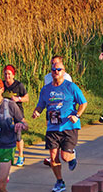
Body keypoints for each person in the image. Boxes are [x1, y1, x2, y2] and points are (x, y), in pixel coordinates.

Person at [32, 56, 87, 192]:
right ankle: (59, 181)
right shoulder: (46, 89)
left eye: (59, 69)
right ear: (51, 71)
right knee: (52, 157)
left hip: (68, 126)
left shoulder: (71, 87)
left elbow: (83, 103)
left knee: (65, 156)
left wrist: (77, 115)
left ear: (64, 71)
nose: (56, 71)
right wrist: (37, 112)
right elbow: (41, 105)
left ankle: (71, 154)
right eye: (54, 70)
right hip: (53, 127)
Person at [2, 64, 29, 167]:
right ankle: (8, 156)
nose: (7, 76)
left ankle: (21, 156)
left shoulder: (18, 85)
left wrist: (18, 99)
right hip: (4, 113)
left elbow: (27, 98)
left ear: (13, 75)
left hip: (17, 113)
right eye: (5, 74)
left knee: (17, 135)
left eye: (9, 74)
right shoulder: (1, 85)